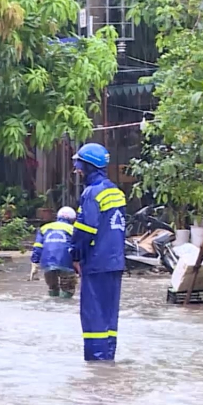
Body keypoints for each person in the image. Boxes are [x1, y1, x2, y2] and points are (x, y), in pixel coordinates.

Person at [71, 143, 127, 362]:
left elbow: (85, 231)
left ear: (89, 166)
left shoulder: (92, 193)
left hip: (95, 263)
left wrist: (75, 256)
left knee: (94, 318)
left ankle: (96, 366)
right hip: (115, 262)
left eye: (79, 166)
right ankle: (107, 363)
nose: (77, 170)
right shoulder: (116, 192)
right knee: (109, 318)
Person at [30, 206, 78, 298]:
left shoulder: (44, 228)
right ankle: (63, 309)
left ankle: (52, 305)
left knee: (52, 288)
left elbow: (38, 247)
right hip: (66, 262)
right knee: (68, 289)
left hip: (47, 263)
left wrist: (34, 263)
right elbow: (77, 247)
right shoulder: (73, 229)